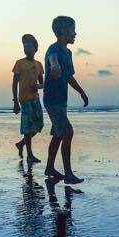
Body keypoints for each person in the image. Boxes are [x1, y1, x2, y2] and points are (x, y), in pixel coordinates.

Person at [43, 16, 88, 184]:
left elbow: (69, 76)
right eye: (72, 29)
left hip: (61, 100)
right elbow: (52, 60)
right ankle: (68, 174)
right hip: (52, 99)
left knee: (58, 134)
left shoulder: (68, 53)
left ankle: (49, 167)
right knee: (68, 131)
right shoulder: (53, 49)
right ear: (62, 31)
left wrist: (81, 92)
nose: (75, 33)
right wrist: (54, 66)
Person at [12, 34, 45, 164]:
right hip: (24, 100)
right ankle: (30, 155)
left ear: (35, 48)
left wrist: (39, 85)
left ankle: (21, 144)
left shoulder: (38, 64)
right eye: (24, 46)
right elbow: (14, 83)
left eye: (29, 46)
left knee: (38, 125)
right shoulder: (19, 63)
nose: (26, 48)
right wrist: (15, 102)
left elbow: (42, 83)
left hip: (35, 99)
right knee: (27, 127)